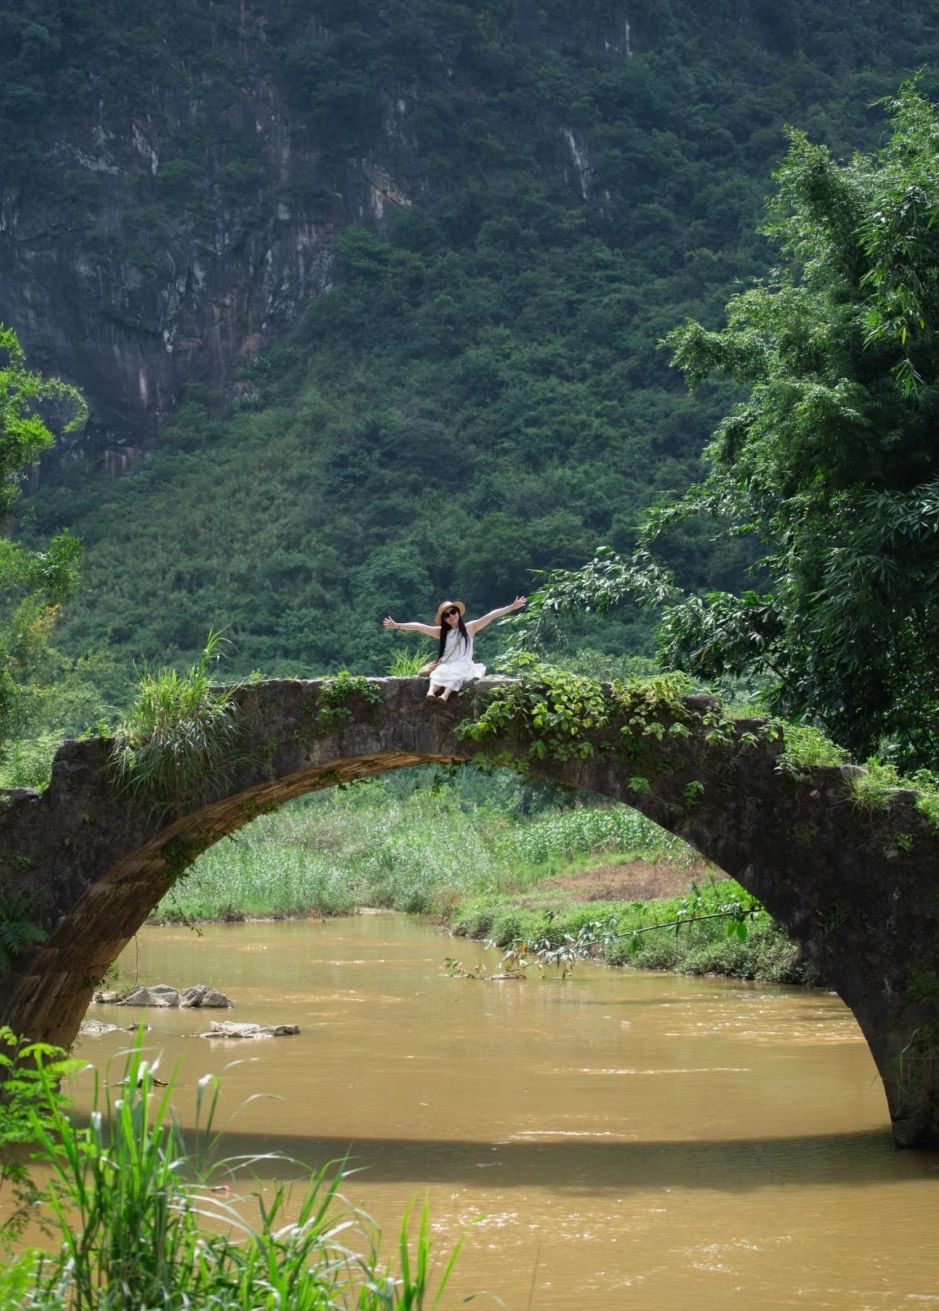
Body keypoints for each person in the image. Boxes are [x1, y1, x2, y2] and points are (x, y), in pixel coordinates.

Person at [383, 596, 526, 701]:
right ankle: (431, 693)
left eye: (453, 612)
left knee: (457, 673)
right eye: (447, 615)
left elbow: (491, 616)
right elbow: (419, 627)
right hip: (447, 663)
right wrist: (397, 625)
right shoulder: (441, 632)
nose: (451, 616)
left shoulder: (470, 628)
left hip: (463, 664)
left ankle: (444, 696)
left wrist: (511, 607)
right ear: (444, 619)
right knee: (439, 672)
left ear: (457, 612)